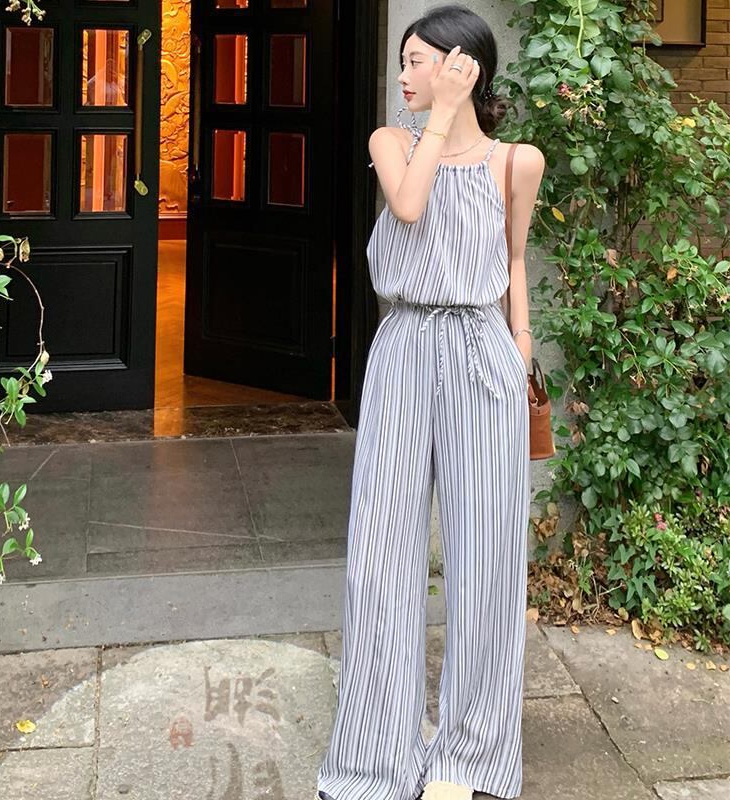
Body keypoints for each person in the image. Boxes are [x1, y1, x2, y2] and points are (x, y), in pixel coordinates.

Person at [314, 4, 546, 800]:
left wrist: (521, 346)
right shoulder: (393, 143)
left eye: (418, 60)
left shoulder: (517, 162)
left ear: (461, 66)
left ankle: (472, 760)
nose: (403, 74)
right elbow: (410, 207)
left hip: (484, 350)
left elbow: (512, 259)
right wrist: (441, 117)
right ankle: (375, 760)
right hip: (406, 347)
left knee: (488, 559)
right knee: (380, 554)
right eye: (405, 61)